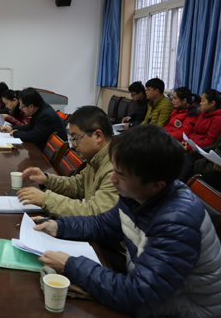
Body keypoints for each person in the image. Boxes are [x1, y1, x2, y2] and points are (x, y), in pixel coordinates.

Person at [34, 124, 221, 317]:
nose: (112, 179)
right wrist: (59, 226)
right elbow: (103, 225)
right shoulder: (137, 194)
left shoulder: (177, 222)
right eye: (114, 170)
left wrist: (70, 265)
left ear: (156, 185)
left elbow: (139, 297)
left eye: (121, 176)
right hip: (147, 287)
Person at [17, 106, 118, 218]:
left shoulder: (116, 168)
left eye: (76, 138)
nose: (73, 145)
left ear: (98, 136)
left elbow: (96, 212)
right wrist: (47, 180)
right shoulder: (96, 158)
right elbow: (78, 185)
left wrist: (46, 199)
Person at [1, 87, 67, 151]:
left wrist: (15, 133)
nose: (22, 109)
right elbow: (31, 126)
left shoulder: (46, 115)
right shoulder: (40, 109)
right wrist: (12, 128)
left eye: (22, 107)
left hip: (50, 152)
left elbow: (34, 136)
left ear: (31, 106)